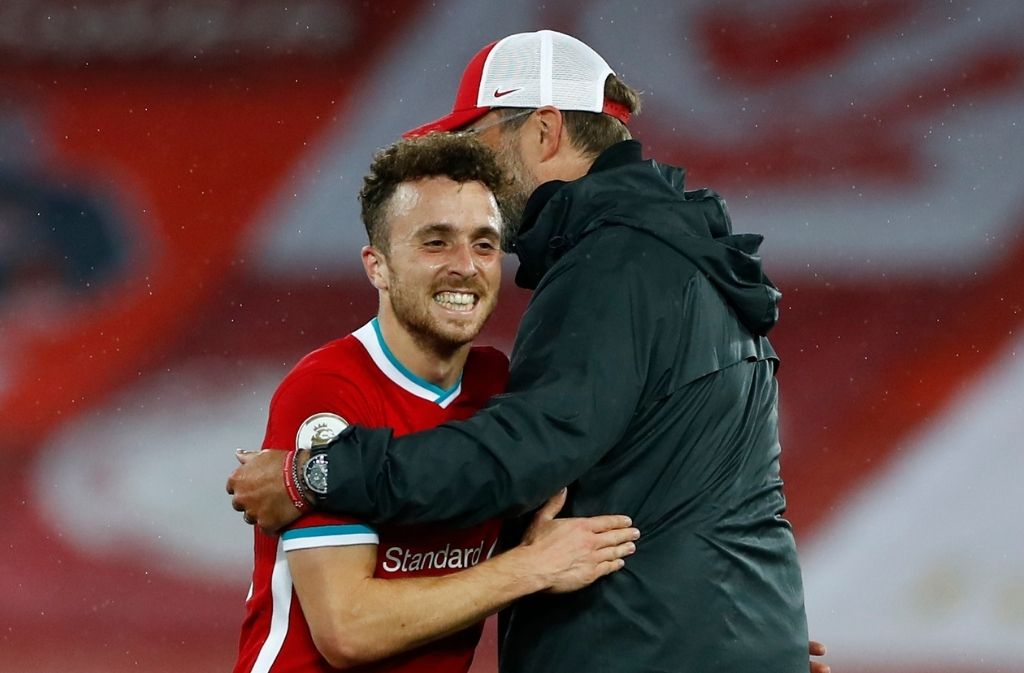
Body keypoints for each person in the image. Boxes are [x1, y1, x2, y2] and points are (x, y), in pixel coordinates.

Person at [229, 30, 822, 672]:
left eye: (477, 139)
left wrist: (315, 474)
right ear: (378, 264)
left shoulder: (612, 263)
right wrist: (756, 642)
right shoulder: (685, 259)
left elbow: (526, 453)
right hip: (704, 633)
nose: (472, 168)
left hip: (642, 648)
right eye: (435, 241)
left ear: (543, 130)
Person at [232, 132, 639, 673]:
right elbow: (349, 630)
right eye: (436, 242)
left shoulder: (498, 385)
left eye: (484, 244)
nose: (466, 266)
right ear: (377, 266)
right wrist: (530, 567)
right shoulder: (331, 388)